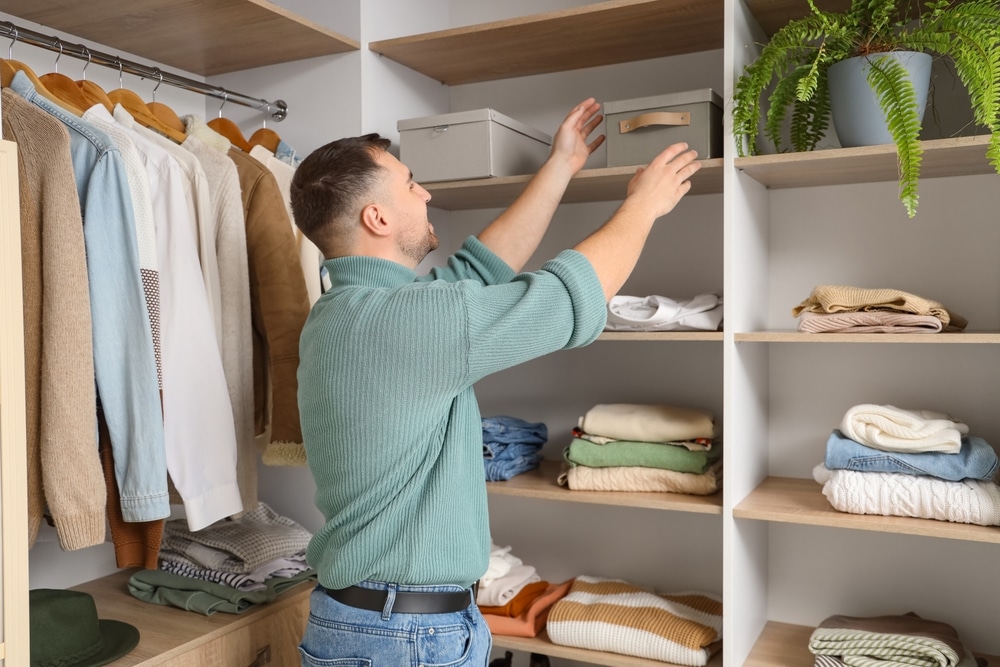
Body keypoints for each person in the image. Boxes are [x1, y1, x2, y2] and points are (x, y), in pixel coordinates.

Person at [289, 98, 701, 666]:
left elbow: (478, 270)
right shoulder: (403, 321)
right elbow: (564, 301)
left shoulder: (345, 314)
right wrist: (644, 207)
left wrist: (560, 165)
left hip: (373, 624)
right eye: (411, 185)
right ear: (376, 218)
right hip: (403, 637)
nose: (426, 194)